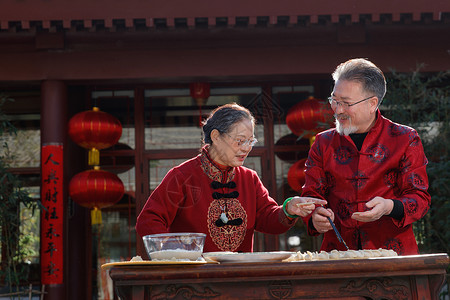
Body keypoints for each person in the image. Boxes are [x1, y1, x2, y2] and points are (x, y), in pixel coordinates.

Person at [136, 103, 326, 252]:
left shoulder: (249, 179)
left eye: (250, 141)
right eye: (240, 141)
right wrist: (179, 253)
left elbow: (268, 218)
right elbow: (149, 220)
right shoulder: (182, 176)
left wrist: (288, 209)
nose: (246, 148)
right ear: (216, 136)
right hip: (193, 278)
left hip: (237, 278)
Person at [299, 58, 430, 255]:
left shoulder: (405, 139)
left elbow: (420, 198)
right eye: (334, 100)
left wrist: (389, 206)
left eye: (346, 103)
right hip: (338, 254)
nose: (338, 109)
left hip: (393, 255)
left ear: (372, 103)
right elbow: (311, 195)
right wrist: (315, 215)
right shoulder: (322, 143)